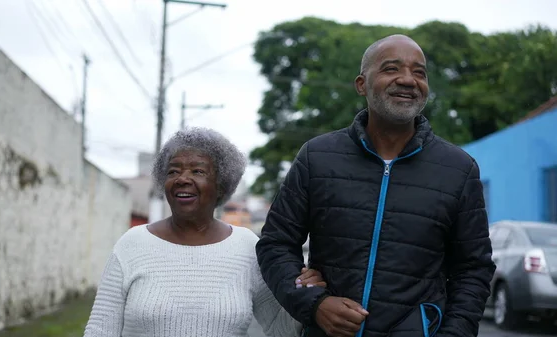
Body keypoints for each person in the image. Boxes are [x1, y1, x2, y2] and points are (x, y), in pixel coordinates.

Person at [256, 34, 496, 337]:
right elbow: (275, 244)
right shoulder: (317, 157)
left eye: (419, 72)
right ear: (361, 84)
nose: (408, 80)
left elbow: (473, 269)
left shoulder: (459, 169)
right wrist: (313, 304)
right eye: (391, 69)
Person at [83, 127, 326, 337]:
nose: (182, 179)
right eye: (173, 171)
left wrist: (305, 294)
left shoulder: (247, 247)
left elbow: (281, 328)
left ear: (221, 184)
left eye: (198, 171)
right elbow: (100, 330)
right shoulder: (132, 244)